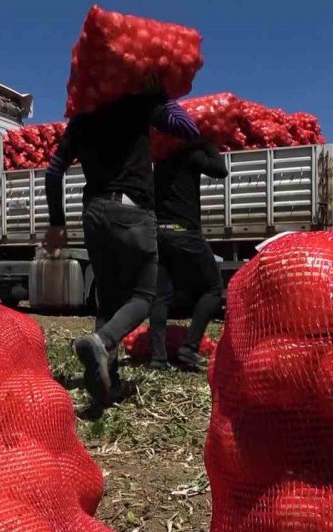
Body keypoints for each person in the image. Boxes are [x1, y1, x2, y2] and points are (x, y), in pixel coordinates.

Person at [43, 82, 199, 416]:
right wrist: (161, 96)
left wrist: (57, 223)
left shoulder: (81, 117)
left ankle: (106, 383)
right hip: (132, 212)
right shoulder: (138, 102)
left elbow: (54, 171)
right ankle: (103, 342)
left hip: (95, 214)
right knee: (145, 297)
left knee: (108, 300)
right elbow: (188, 128)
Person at [148, 139, 229, 371]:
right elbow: (220, 170)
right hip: (184, 233)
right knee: (213, 289)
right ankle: (190, 348)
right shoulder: (190, 154)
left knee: (160, 297)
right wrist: (208, 141)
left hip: (160, 234)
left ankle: (158, 358)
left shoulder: (160, 161)